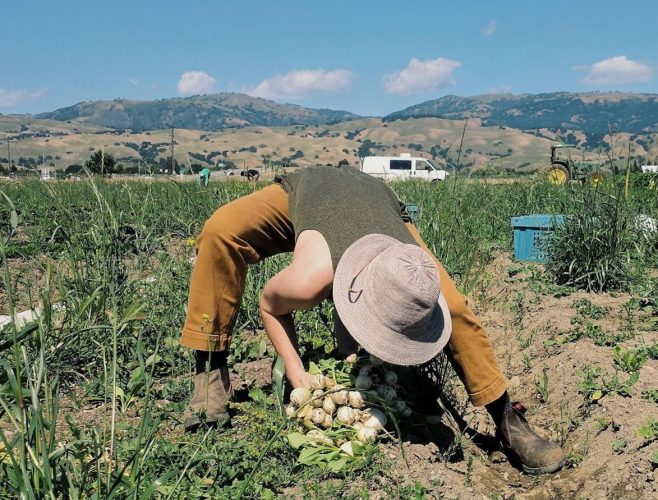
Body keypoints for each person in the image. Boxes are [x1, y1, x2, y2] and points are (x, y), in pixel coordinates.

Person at [180, 165, 565, 475]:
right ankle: (210, 367)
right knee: (219, 232)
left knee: (454, 306)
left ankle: (507, 420)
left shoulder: (403, 259)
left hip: (377, 201)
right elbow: (270, 305)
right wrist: (297, 375)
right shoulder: (312, 277)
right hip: (312, 190)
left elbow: (438, 305)